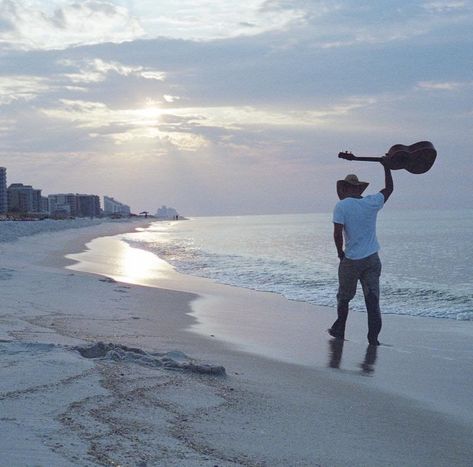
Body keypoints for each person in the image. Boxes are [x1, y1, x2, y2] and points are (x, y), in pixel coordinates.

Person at [328, 161, 393, 345]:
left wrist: (340, 254)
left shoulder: (341, 206)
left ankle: (339, 329)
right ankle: (373, 339)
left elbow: (337, 233)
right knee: (372, 300)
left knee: (344, 297)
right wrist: (386, 166)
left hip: (352, 259)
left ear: (346, 188)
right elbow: (389, 188)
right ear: (358, 188)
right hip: (372, 258)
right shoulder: (371, 202)